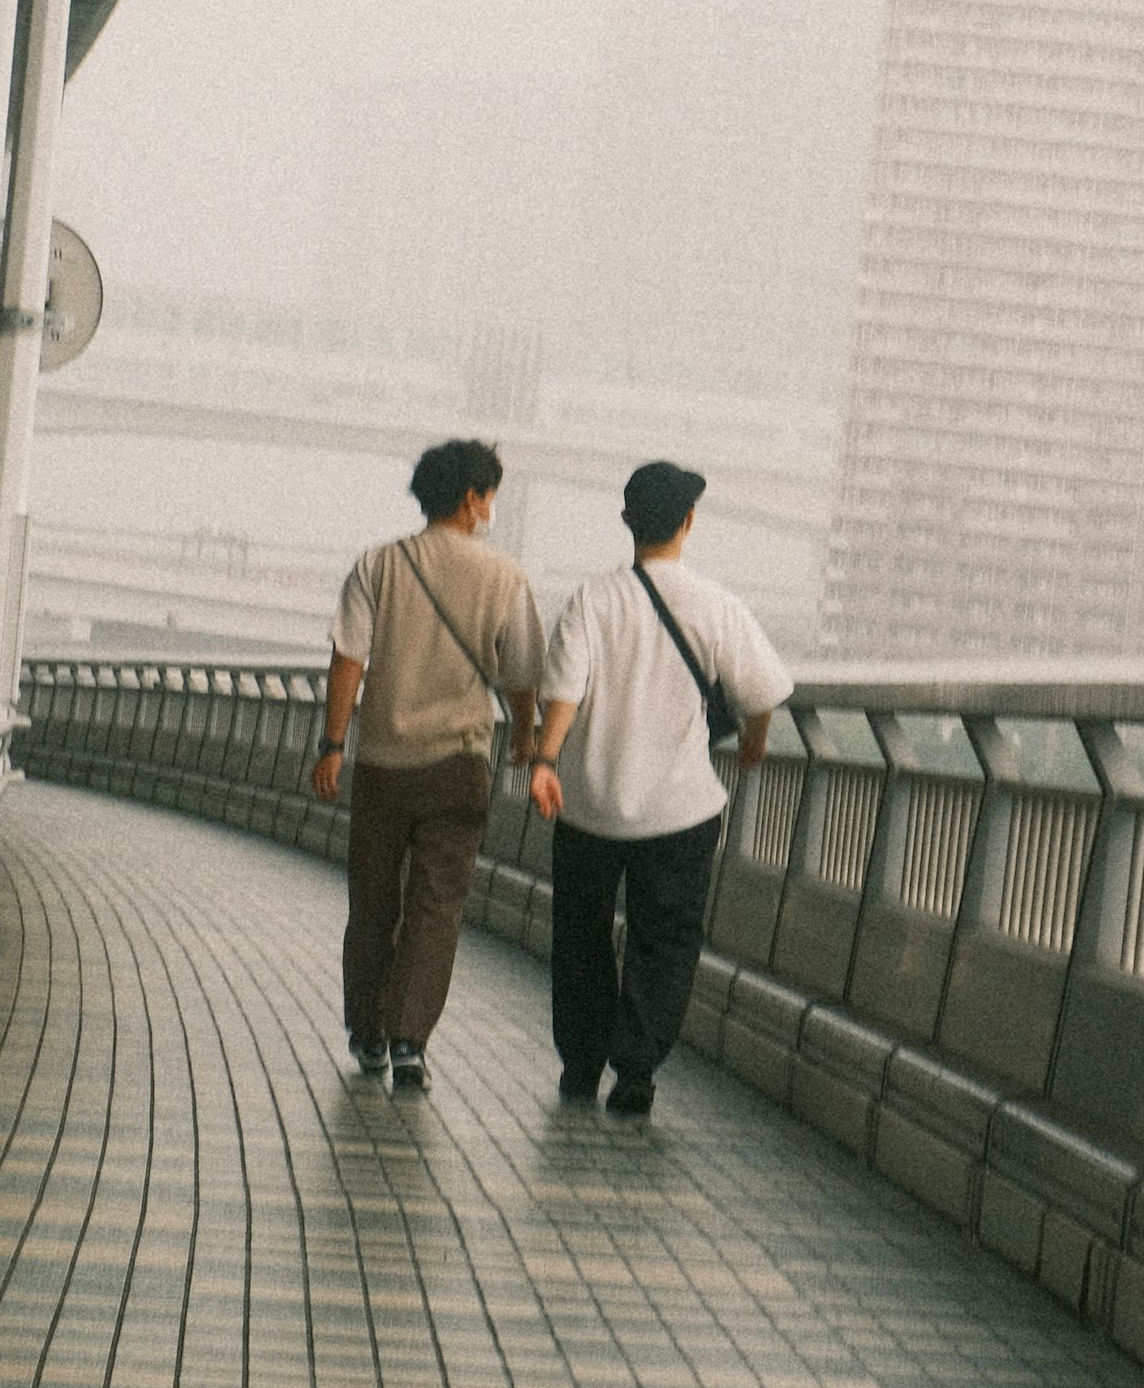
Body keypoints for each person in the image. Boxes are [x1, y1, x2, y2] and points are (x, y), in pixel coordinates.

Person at [526, 460, 790, 1116]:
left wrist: (545, 761)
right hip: (680, 810)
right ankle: (637, 1071)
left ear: (626, 521)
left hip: (588, 802)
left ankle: (582, 1063)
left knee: (580, 933)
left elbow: (564, 690)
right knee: (665, 937)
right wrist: (753, 746)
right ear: (689, 523)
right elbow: (761, 692)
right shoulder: (717, 605)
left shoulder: (593, 598)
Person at [314, 438, 541, 1090]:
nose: (493, 506)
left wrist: (334, 746)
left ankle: (367, 1032)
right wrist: (523, 742)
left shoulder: (378, 565)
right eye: (491, 494)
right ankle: (409, 1040)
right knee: (437, 906)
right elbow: (524, 674)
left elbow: (347, 660)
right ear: (473, 498)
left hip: (384, 760)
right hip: (460, 765)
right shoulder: (506, 578)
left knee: (373, 901)